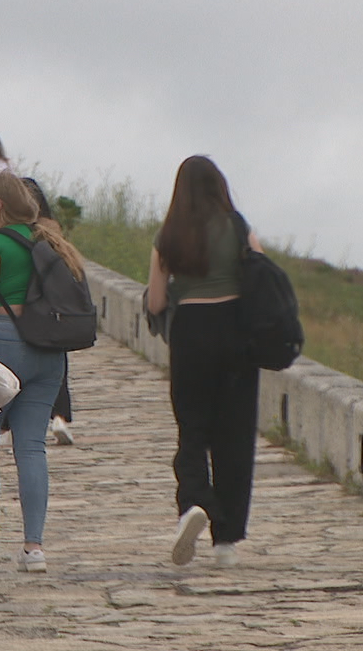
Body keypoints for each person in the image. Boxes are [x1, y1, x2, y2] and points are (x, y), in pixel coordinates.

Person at [0, 172, 81, 573]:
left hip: (5, 345)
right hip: (49, 352)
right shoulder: (46, 239)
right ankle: (33, 548)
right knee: (31, 447)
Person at [146, 156, 262, 568]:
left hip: (191, 334)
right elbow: (260, 278)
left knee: (192, 428)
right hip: (235, 336)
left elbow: (157, 301)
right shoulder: (238, 227)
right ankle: (226, 540)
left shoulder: (169, 235)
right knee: (234, 436)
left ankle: (194, 503)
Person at [19, 177, 75, 445]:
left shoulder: (20, 230)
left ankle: (14, 424)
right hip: (53, 306)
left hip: (28, 304)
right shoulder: (52, 228)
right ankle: (60, 418)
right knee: (56, 364)